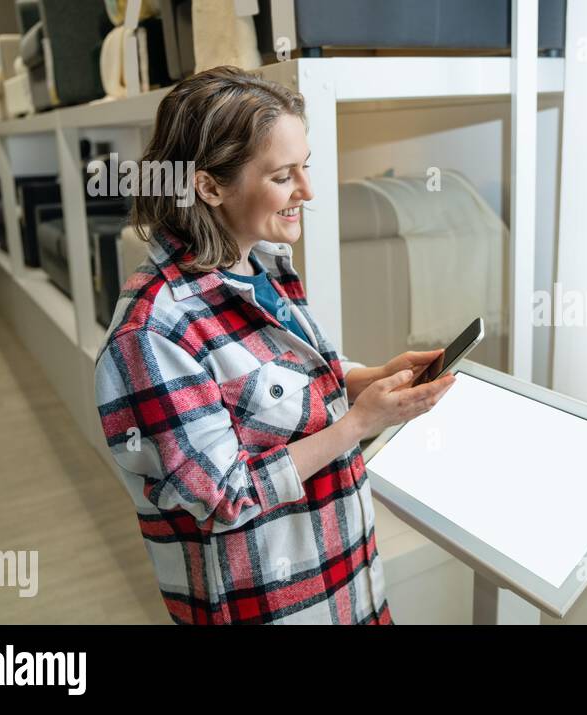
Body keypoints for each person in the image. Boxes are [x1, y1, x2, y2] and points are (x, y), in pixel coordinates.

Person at [93, 65, 455, 624]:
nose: (307, 192)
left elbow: (287, 389)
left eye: (304, 168)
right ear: (210, 186)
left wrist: (367, 378)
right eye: (284, 176)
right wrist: (357, 424)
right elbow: (224, 497)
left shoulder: (263, 265)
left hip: (346, 581)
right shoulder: (153, 335)